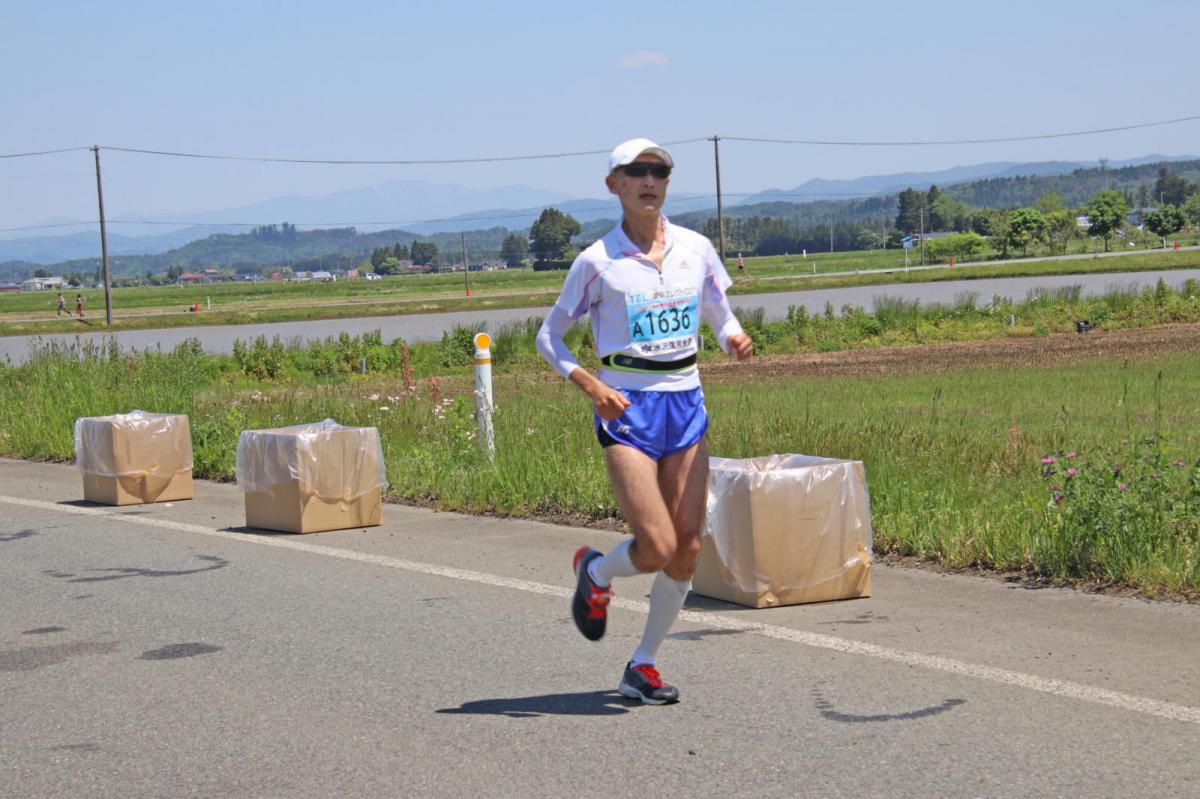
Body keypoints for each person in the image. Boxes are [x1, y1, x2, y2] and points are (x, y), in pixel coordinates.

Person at [536, 138, 753, 705]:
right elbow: (548, 336)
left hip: (686, 404)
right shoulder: (597, 261)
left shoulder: (695, 247)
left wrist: (731, 335)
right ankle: (598, 574)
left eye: (658, 171)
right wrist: (589, 382)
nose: (649, 181)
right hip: (627, 409)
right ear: (614, 185)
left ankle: (644, 664)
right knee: (654, 545)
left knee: (686, 549)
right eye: (636, 172)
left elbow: (717, 307)